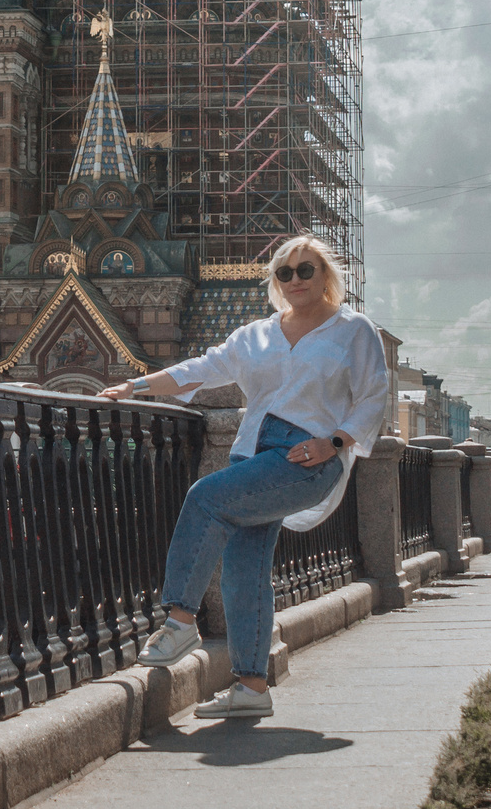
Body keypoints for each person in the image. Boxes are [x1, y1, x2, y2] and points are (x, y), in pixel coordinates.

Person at [100, 235, 392, 720]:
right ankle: (252, 687)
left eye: (306, 270)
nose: (296, 280)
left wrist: (335, 443)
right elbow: (203, 369)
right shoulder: (256, 334)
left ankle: (180, 620)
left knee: (204, 497)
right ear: (275, 281)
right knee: (244, 570)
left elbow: (373, 395)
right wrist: (136, 385)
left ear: (326, 276)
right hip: (250, 455)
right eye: (285, 272)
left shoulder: (352, 329)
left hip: (304, 457)